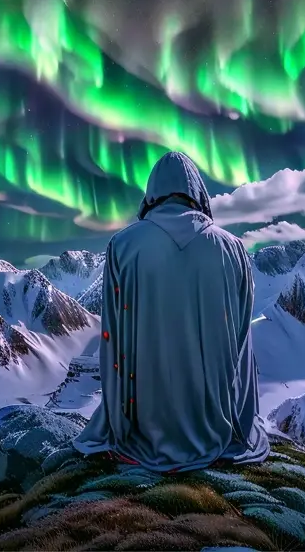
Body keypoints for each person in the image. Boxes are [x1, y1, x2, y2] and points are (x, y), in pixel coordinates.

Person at [73, 151, 269, 472]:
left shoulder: (123, 245)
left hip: (143, 428)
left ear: (153, 191)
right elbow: (241, 347)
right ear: (197, 191)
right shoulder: (233, 248)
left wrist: (117, 426)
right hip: (217, 426)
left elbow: (113, 343)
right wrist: (240, 424)